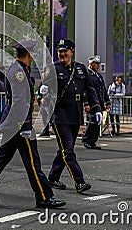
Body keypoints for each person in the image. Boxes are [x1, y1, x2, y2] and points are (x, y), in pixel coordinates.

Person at [0, 40, 66, 209]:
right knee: (32, 162)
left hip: (11, 123)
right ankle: (44, 197)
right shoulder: (19, 73)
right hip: (18, 124)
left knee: (1, 159)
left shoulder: (18, 69)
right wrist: (26, 126)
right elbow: (20, 102)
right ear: (29, 54)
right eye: (33, 53)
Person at [44, 39, 102, 194]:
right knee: (68, 150)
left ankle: (53, 178)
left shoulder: (81, 69)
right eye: (60, 51)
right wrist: (41, 93)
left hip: (75, 114)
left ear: (72, 51)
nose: (62, 54)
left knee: (63, 149)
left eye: (65, 51)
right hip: (60, 115)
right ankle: (79, 181)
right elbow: (43, 91)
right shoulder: (53, 69)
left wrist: (96, 109)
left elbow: (90, 90)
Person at [82, 55, 111, 149]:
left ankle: (92, 141)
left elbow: (103, 89)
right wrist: (86, 103)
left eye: (98, 64)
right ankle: (86, 139)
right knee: (93, 121)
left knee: (97, 122)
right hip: (92, 103)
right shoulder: (87, 75)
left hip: (99, 102)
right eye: (96, 64)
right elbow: (85, 90)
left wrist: (107, 101)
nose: (98, 66)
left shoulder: (98, 76)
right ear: (91, 64)